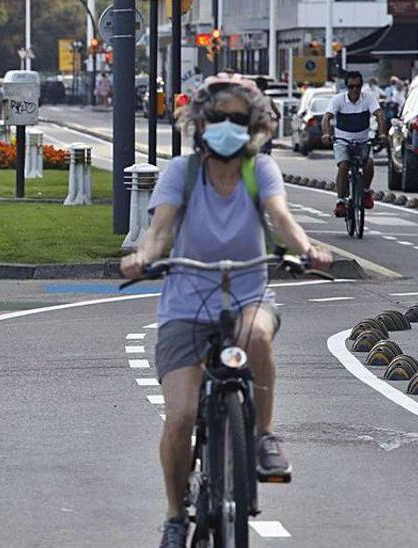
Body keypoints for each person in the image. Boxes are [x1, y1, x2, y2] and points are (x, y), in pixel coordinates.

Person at [119, 74, 332, 548]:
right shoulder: (182, 172)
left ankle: (263, 436)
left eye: (239, 118)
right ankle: (176, 516)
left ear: (254, 124)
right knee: (179, 418)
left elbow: (281, 218)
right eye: (218, 118)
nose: (228, 127)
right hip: (185, 306)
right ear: (200, 122)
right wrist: (144, 256)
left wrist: (307, 249)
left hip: (248, 298)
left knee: (256, 336)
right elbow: (160, 230)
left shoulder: (261, 170)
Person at [321, 71, 388, 218]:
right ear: (346, 87)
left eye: (357, 86)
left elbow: (380, 115)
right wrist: (326, 134)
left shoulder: (369, 98)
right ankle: (340, 201)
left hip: (362, 140)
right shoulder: (337, 100)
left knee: (369, 163)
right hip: (342, 141)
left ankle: (365, 192)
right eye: (351, 87)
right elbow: (326, 118)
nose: (354, 90)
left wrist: (382, 133)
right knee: (344, 165)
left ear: (361, 86)